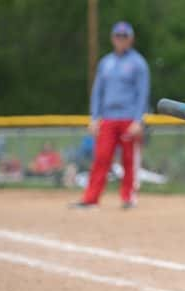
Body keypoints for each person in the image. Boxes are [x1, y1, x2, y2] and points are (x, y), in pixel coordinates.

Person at [73, 21, 149, 209]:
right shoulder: (106, 63)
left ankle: (128, 197)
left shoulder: (138, 63)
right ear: (113, 38)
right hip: (108, 118)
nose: (120, 40)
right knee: (101, 158)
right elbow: (97, 92)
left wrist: (139, 120)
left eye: (124, 36)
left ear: (130, 39)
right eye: (117, 36)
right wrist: (94, 117)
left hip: (129, 117)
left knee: (129, 160)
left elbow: (143, 93)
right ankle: (91, 198)